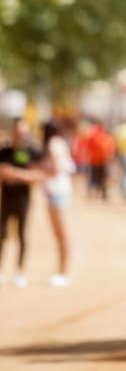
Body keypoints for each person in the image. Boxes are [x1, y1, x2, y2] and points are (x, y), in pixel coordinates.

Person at [0, 120, 44, 288]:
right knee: (2, 234)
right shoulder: (5, 151)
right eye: (18, 132)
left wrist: (17, 174)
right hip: (5, 199)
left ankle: (19, 272)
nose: (21, 136)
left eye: (24, 133)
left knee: (21, 234)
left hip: (23, 199)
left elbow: (39, 174)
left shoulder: (32, 152)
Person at [42, 119, 76, 287]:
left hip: (56, 191)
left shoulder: (52, 144)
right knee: (60, 234)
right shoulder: (61, 143)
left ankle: (63, 272)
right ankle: (62, 271)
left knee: (61, 234)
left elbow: (54, 168)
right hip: (59, 190)